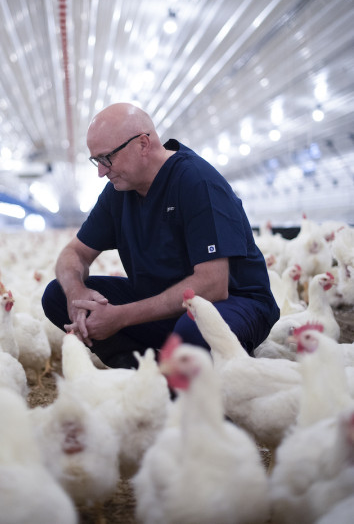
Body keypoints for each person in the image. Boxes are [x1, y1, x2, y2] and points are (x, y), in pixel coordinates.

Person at [42, 102, 280, 368]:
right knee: (58, 295)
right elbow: (73, 253)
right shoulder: (118, 192)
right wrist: (77, 293)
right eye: (96, 160)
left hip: (233, 302)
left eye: (107, 158)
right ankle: (147, 372)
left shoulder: (196, 181)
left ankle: (197, 377)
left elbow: (213, 284)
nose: (101, 171)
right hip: (161, 302)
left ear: (143, 144)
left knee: (194, 330)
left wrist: (120, 316)